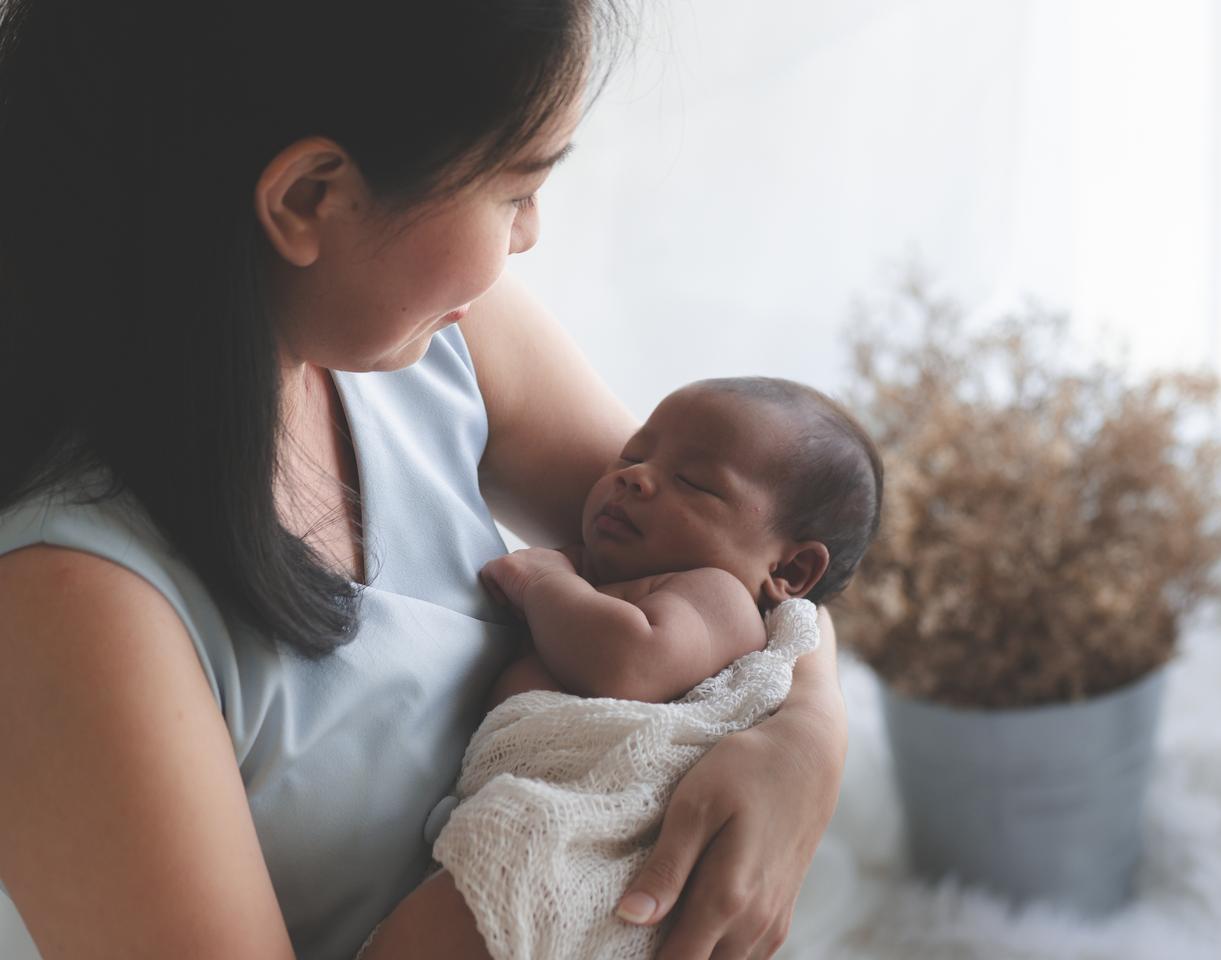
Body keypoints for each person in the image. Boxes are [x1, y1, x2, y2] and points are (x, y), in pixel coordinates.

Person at [0, 3, 849, 960]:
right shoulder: (69, 606)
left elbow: (747, 557)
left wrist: (807, 741)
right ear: (309, 198)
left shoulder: (430, 328)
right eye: (517, 189)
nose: (529, 235)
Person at [479, 377, 883, 708]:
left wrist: (542, 583)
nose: (635, 476)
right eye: (632, 455)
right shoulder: (585, 570)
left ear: (789, 570)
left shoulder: (720, 600)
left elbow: (630, 665)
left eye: (693, 481)